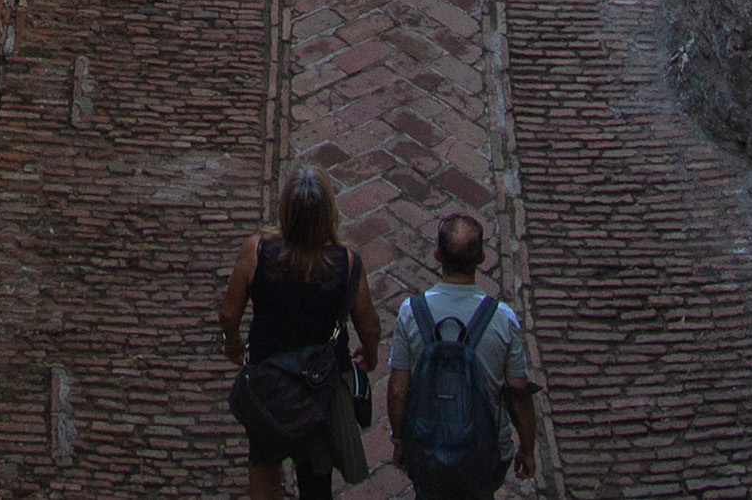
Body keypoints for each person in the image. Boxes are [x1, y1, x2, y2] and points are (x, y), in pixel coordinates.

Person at [219, 164, 380, 499]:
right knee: (315, 470)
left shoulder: (257, 252)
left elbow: (229, 312)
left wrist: (233, 344)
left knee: (263, 461)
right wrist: (371, 355)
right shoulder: (347, 263)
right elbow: (368, 324)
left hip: (268, 379)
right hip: (318, 387)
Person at [383, 213, 543, 495]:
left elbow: (398, 388)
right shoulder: (502, 318)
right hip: (485, 451)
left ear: (436, 254)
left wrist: (400, 442)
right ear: (482, 257)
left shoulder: (411, 313)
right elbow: (519, 394)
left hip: (427, 447)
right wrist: (527, 449)